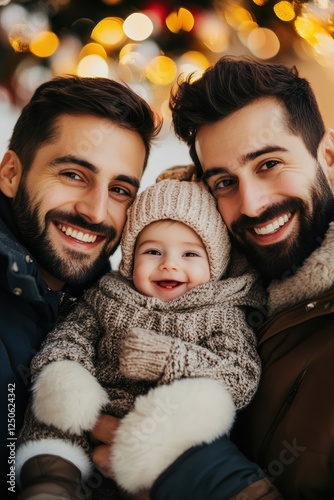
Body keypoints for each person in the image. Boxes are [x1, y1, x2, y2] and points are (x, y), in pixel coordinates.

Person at [143, 55, 334, 499]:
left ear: (327, 155)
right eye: (224, 182)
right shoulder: (199, 281)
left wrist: (198, 472)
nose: (250, 205)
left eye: (268, 164)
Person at [16, 178, 265, 499]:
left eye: (190, 254)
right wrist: (66, 371)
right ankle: (51, 483)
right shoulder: (107, 295)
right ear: (131, 259)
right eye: (153, 251)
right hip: (93, 411)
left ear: (214, 265)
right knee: (52, 419)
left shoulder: (221, 313)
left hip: (163, 432)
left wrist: (165, 357)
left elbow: (240, 376)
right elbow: (70, 335)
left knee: (196, 442)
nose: (169, 263)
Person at [0, 74, 159, 498]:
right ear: (11, 174)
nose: (95, 211)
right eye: (73, 173)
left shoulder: (117, 306)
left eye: (120, 189)